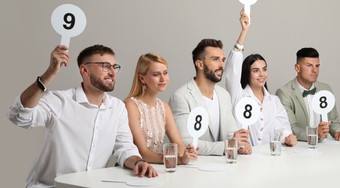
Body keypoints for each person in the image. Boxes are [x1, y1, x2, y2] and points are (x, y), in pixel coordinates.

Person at [7, 45, 158, 188]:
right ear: (84, 70)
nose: (112, 72)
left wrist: (138, 162)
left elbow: (124, 147)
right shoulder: (60, 101)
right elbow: (19, 116)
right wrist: (49, 73)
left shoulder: (117, 108)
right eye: (105, 66)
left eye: (114, 67)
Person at [225, 10, 297, 147]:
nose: (262, 74)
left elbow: (282, 129)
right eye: (256, 71)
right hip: (242, 161)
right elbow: (232, 70)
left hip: (267, 162)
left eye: (264, 69)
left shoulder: (274, 101)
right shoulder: (238, 96)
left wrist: (287, 137)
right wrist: (244, 32)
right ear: (247, 73)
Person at [168, 38, 252, 156]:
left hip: (225, 169)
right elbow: (185, 142)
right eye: (215, 59)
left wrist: (241, 145)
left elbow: (231, 135)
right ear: (200, 64)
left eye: (222, 60)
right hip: (193, 171)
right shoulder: (181, 97)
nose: (221, 65)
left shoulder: (224, 95)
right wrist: (229, 145)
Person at [124, 52, 198, 164]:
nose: (163, 79)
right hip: (135, 169)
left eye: (165, 73)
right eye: (156, 74)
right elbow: (143, 152)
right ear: (142, 78)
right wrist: (177, 159)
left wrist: (186, 153)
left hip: (159, 168)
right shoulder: (131, 105)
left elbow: (179, 144)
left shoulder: (164, 107)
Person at [275, 47, 340, 142]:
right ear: (297, 68)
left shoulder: (326, 89)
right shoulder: (284, 93)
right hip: (298, 149)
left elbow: (333, 122)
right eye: (309, 65)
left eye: (317, 66)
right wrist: (315, 133)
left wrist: (339, 132)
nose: (315, 70)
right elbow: (291, 129)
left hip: (324, 149)